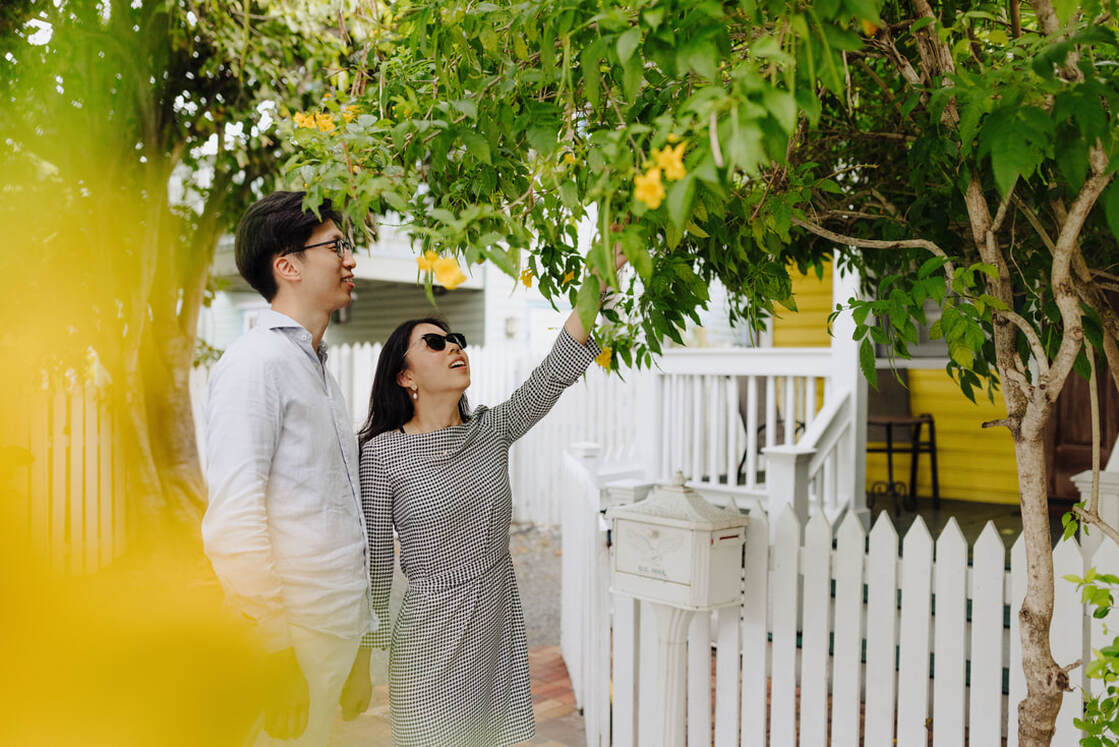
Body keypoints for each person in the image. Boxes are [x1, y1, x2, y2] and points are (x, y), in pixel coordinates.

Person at [352, 260, 623, 746]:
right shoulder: (381, 453)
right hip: (429, 641)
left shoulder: (491, 431)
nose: (453, 345)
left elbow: (554, 371)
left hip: (497, 630)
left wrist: (599, 276)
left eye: (455, 337)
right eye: (434, 342)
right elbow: (375, 562)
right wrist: (360, 657)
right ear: (404, 377)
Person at [201, 191, 376, 746]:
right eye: (336, 247)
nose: (350, 259)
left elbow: (344, 514)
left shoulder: (317, 369)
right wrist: (277, 657)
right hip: (293, 643)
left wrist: (360, 651)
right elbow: (234, 521)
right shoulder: (255, 365)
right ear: (287, 266)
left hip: (334, 635)